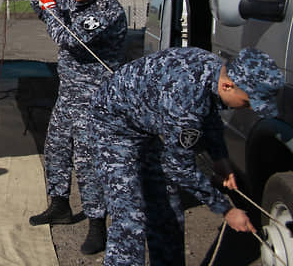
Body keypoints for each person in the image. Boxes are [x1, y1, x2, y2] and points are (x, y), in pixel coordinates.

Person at [92, 47, 281, 266]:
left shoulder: (215, 69)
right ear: (228, 86)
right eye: (247, 102)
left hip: (145, 125)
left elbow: (209, 113)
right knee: (130, 218)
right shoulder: (185, 100)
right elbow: (180, 168)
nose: (247, 108)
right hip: (113, 128)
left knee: (168, 208)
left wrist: (221, 159)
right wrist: (226, 209)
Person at [24, 0, 127, 255]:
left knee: (87, 162)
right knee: (55, 148)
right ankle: (59, 206)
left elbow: (67, 38)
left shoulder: (107, 11)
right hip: (68, 94)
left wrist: (49, 5)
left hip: (94, 99)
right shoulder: (76, 0)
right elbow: (47, 14)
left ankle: (97, 225)